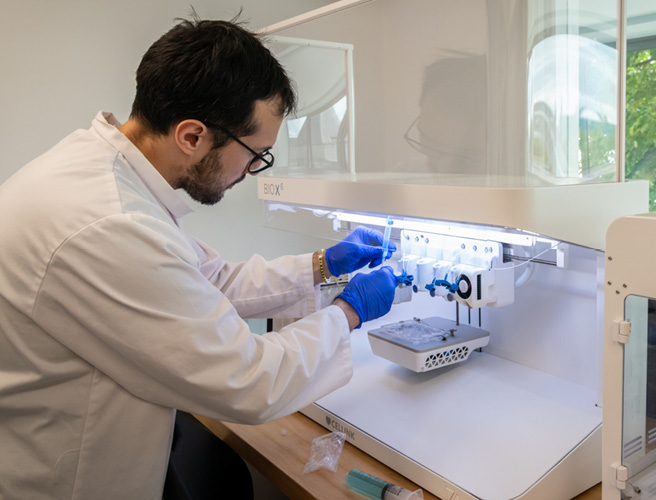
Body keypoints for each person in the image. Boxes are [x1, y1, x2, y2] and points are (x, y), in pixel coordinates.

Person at [0, 16, 398, 500]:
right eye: (256, 154)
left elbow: (208, 281)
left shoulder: (110, 178)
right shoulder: (110, 222)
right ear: (192, 136)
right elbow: (249, 380)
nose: (252, 171)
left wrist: (323, 265)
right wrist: (349, 310)